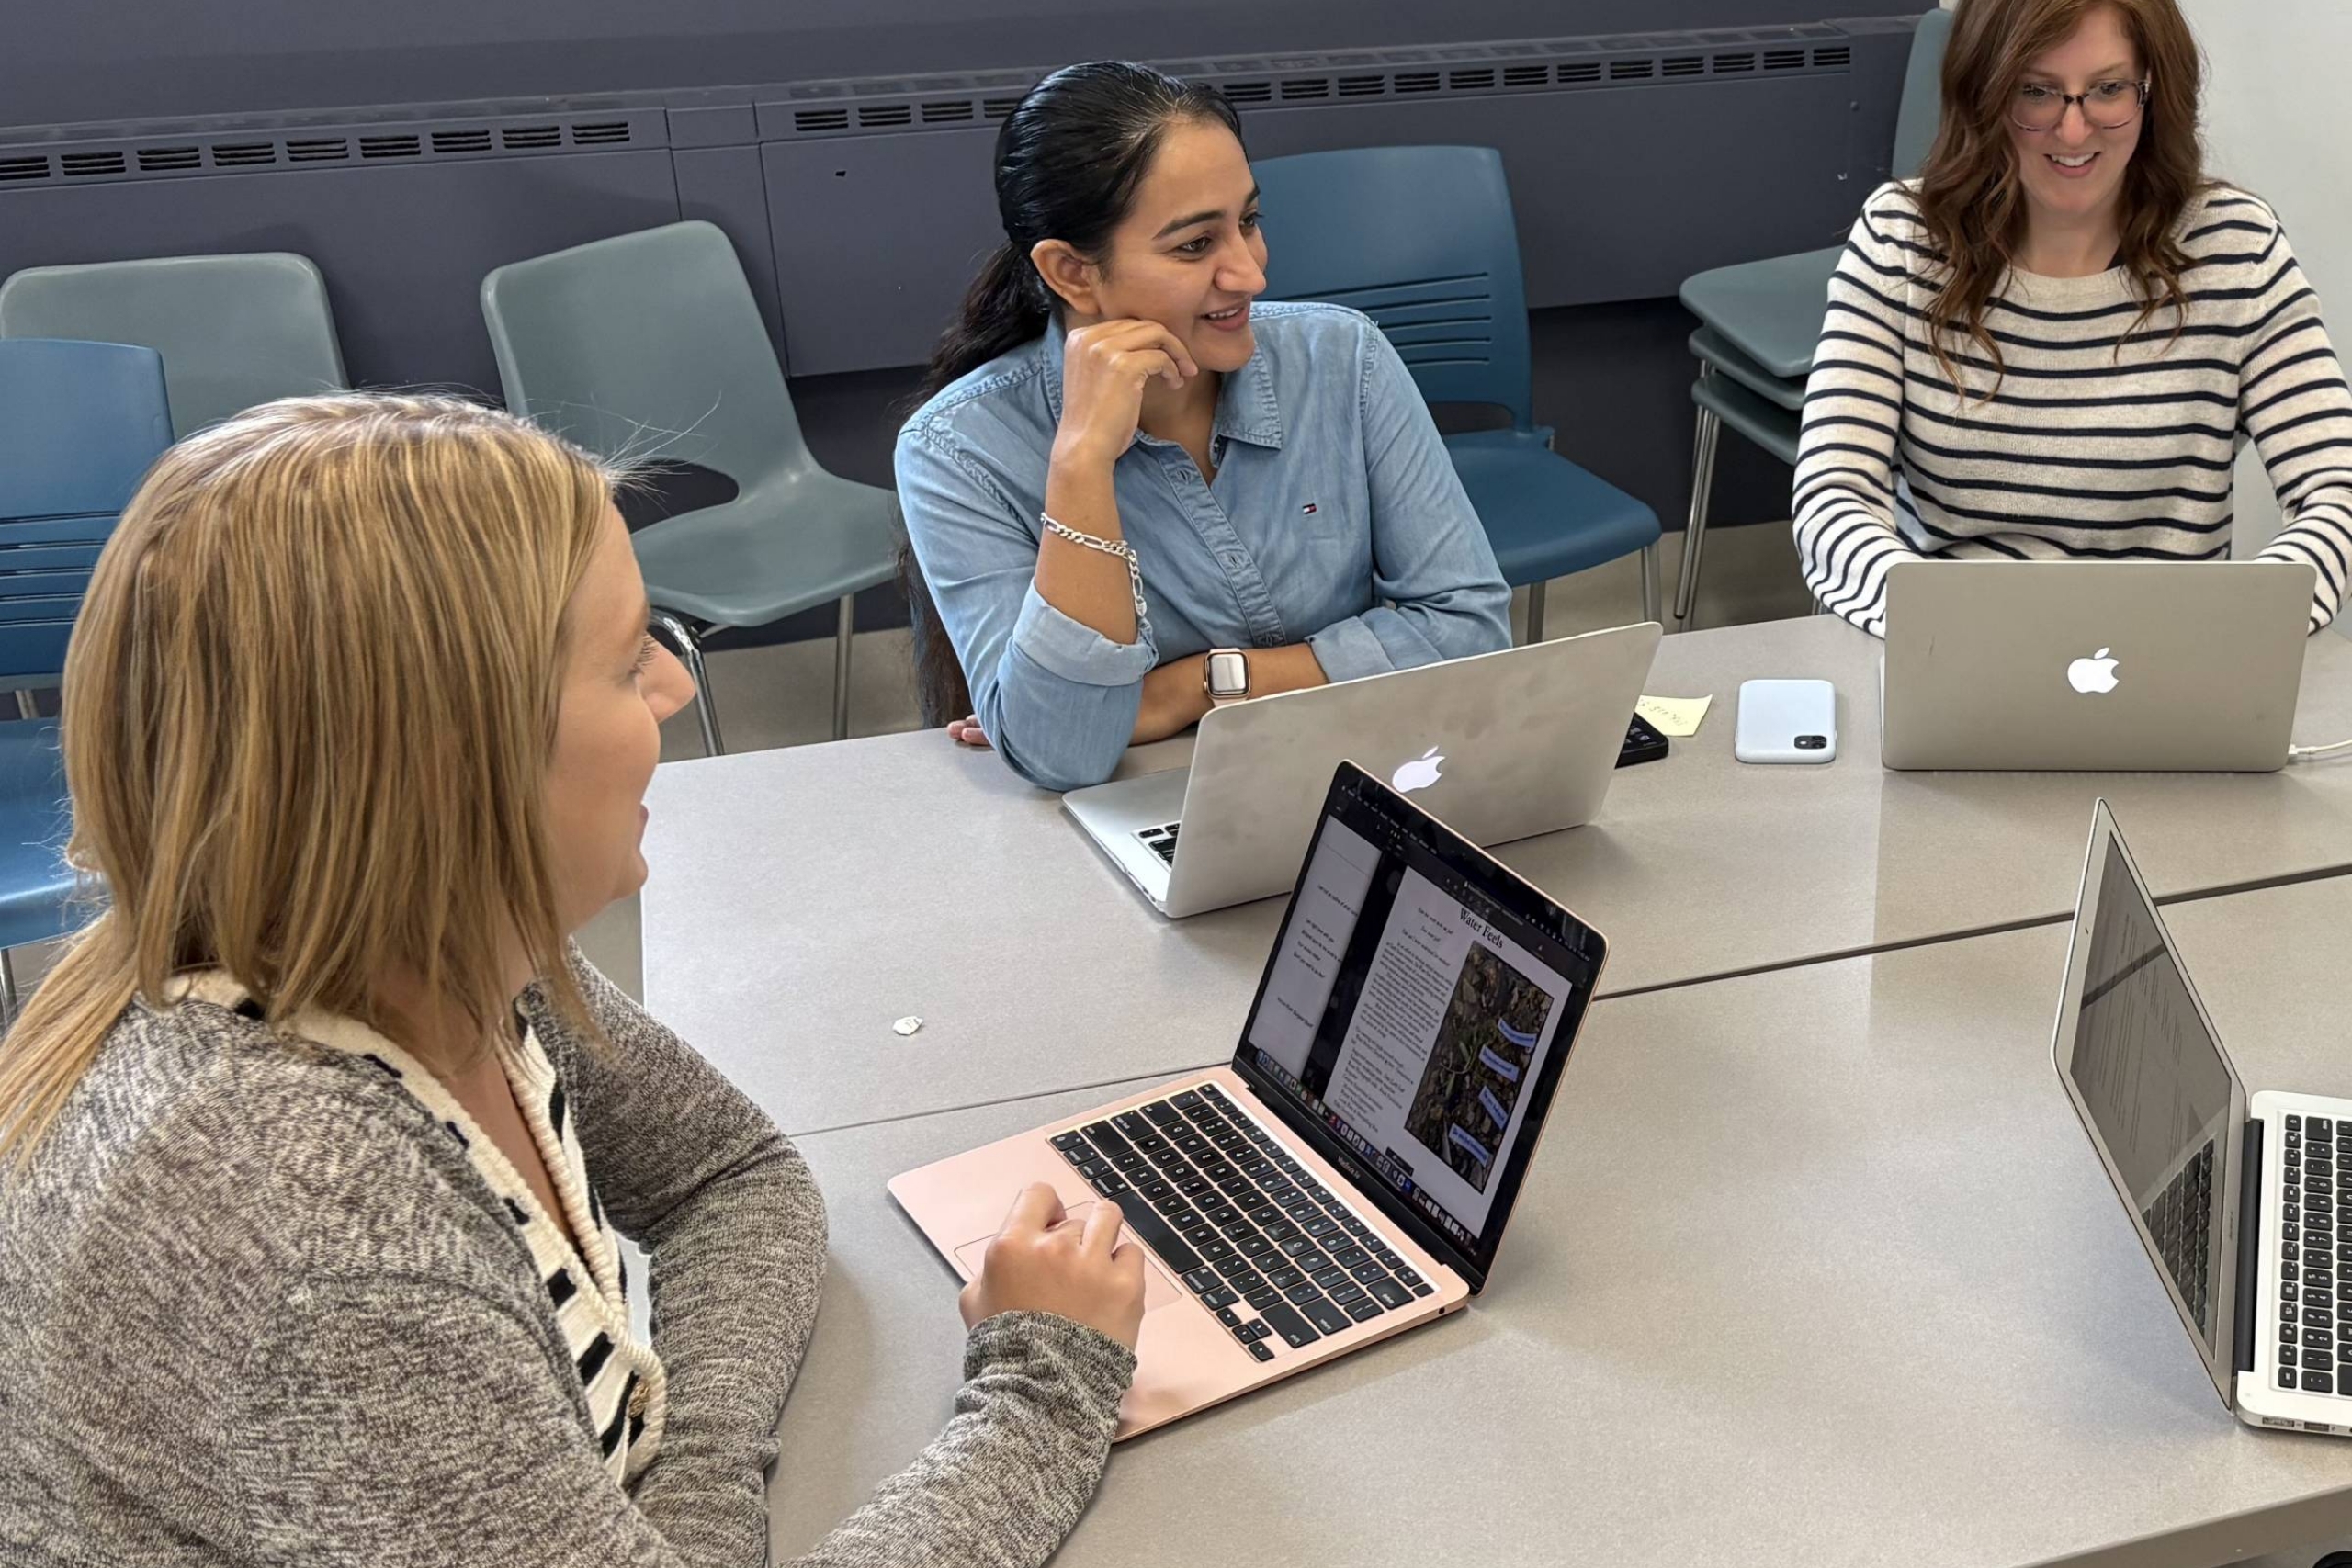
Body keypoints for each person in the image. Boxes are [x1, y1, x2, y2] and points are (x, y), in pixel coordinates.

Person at [0, 395, 1145, 1568]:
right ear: (454, 758)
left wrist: (685, 1500)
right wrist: (1043, 1389)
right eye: (626, 658)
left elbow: (728, 1176)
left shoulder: (433, 957)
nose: (677, 691)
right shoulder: (330, 1251)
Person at [895, 61, 1513, 792]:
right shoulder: (958, 450)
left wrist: (1197, 687)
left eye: (1248, 222)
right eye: (1195, 245)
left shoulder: (1345, 360)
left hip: (1365, 776)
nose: (1250, 273)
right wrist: (1082, 463)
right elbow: (1059, 751)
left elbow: (1469, 635)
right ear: (1071, 272)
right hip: (1135, 815)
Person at [1792, 0, 2352, 637]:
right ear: (1986, 94)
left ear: (2152, 90)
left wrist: (2242, 627)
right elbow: (1834, 494)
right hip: (1954, 648)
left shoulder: (2235, 247)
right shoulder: (1903, 237)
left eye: (2108, 90)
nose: (2074, 131)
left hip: (2170, 657)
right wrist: (1934, 623)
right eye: (2036, 93)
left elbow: (2336, 490)